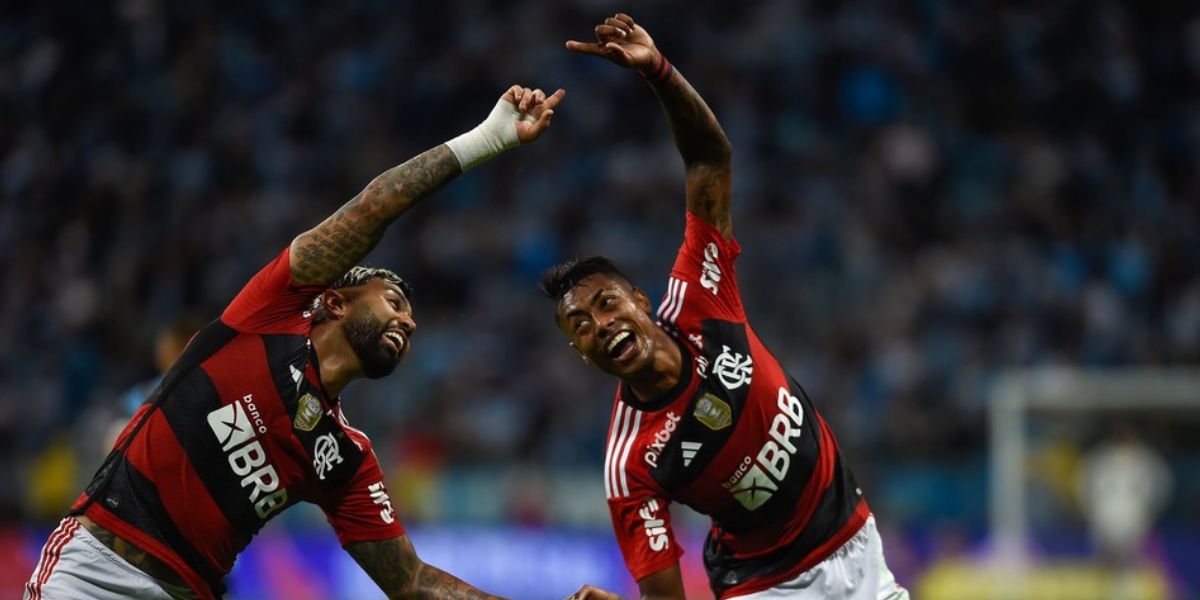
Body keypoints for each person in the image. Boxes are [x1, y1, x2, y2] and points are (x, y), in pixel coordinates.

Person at [25, 83, 565, 600]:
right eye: (395, 301)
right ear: (335, 301)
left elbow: (412, 584)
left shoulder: (344, 457)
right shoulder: (271, 314)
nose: (410, 322)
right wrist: (488, 140)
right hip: (92, 574)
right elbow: (374, 207)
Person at [544, 14, 907, 600]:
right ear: (581, 354)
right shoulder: (630, 463)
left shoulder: (699, 296)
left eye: (607, 303)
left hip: (857, 542)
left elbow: (710, 161)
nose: (601, 325)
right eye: (581, 326)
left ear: (641, 300)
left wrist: (659, 73)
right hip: (767, 587)